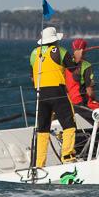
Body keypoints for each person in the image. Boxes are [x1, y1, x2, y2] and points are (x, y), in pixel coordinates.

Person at [30, 26, 77, 167]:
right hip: (58, 92)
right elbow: (74, 70)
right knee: (69, 124)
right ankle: (68, 157)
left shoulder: (34, 53)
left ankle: (39, 164)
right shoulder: (60, 51)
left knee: (43, 129)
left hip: (41, 94)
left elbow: (32, 77)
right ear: (55, 40)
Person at [65, 38, 99, 120]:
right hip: (81, 103)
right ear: (83, 50)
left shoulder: (65, 63)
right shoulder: (86, 65)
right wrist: (94, 99)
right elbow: (89, 91)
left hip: (67, 103)